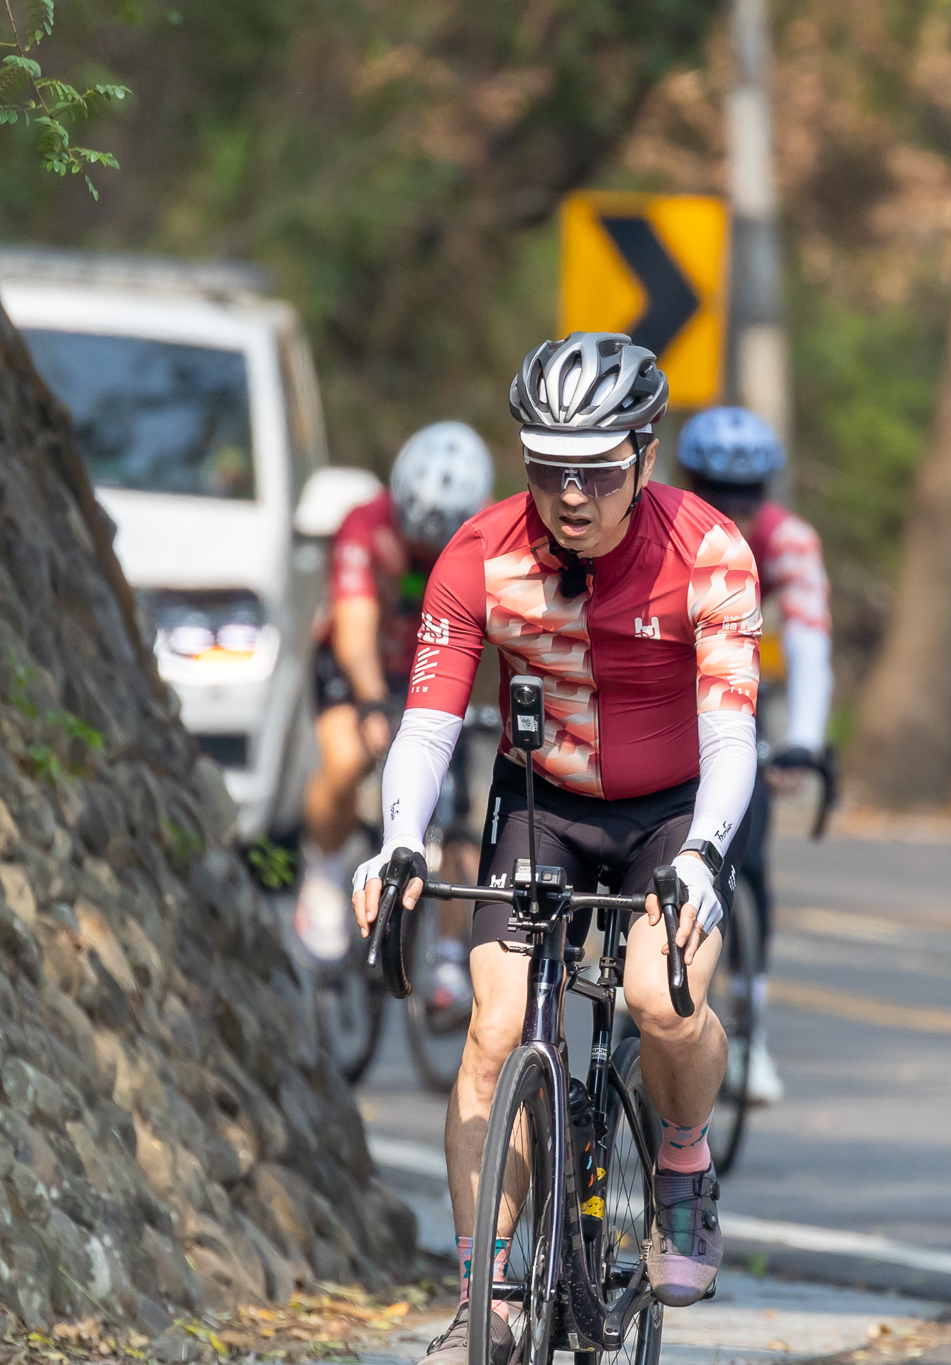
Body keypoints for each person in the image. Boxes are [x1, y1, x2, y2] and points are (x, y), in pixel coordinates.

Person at [352, 332, 759, 1365]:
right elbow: (430, 724)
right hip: (540, 800)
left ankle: (679, 1156)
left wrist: (705, 852)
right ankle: (482, 1296)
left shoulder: (708, 553)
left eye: (593, 471)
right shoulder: (479, 553)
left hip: (673, 808)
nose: (567, 495)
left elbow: (730, 735)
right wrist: (397, 843)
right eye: (544, 468)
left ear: (645, 457)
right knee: (492, 1030)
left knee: (661, 1002)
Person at [673, 405, 835, 1108]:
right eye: (716, 488)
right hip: (660, 691)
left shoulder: (788, 541)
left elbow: (808, 641)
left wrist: (803, 737)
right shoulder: (663, 526)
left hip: (735, 697)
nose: (733, 509)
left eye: (748, 494)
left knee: (751, 853)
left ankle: (752, 1026)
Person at [296, 422, 495, 990]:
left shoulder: (486, 531)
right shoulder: (365, 524)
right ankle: (322, 874)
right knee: (345, 757)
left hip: (432, 668)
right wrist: (370, 704)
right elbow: (354, 630)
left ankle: (451, 959)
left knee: (454, 813)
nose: (423, 550)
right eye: (415, 536)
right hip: (359, 661)